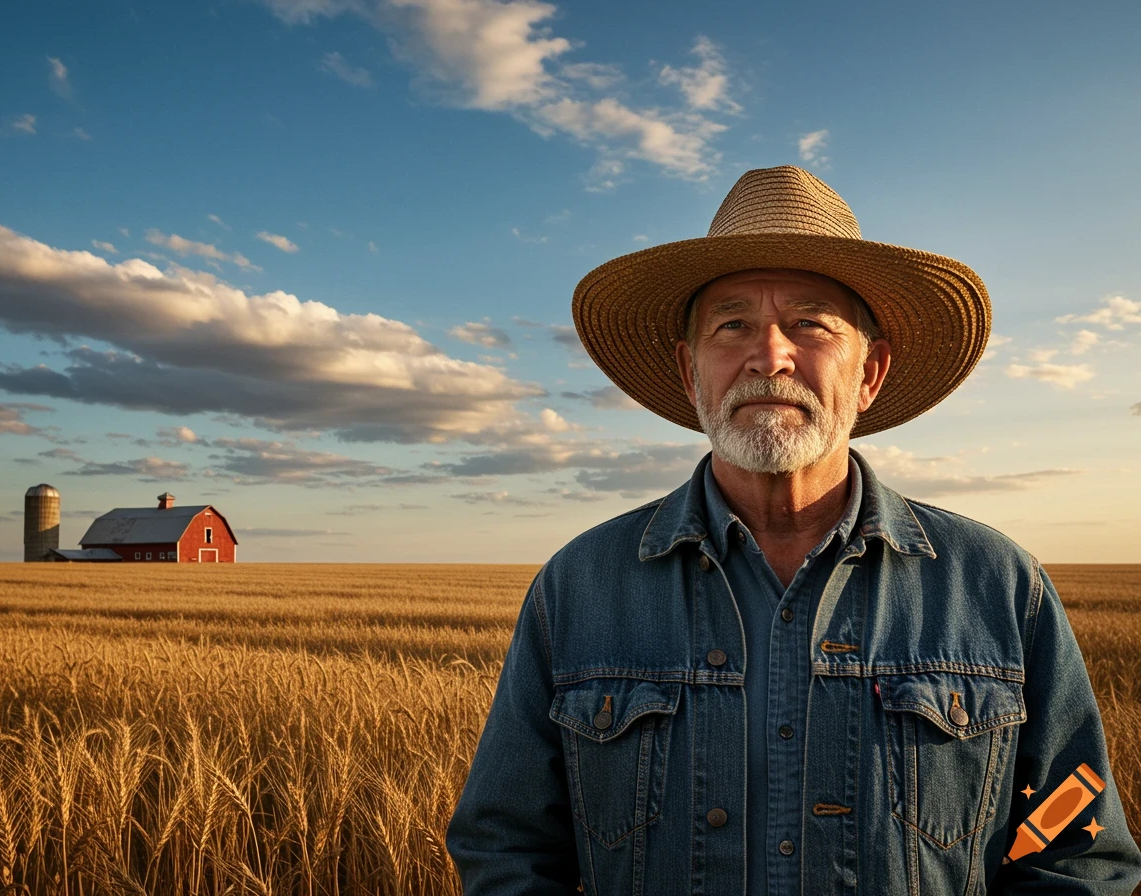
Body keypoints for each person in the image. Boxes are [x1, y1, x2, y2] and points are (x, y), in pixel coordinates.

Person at [445, 166, 1141, 895]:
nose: (769, 354)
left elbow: (1076, 853)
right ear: (691, 372)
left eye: (809, 323)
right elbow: (508, 849)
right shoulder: (581, 585)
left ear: (870, 372)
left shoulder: (998, 585)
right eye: (732, 324)